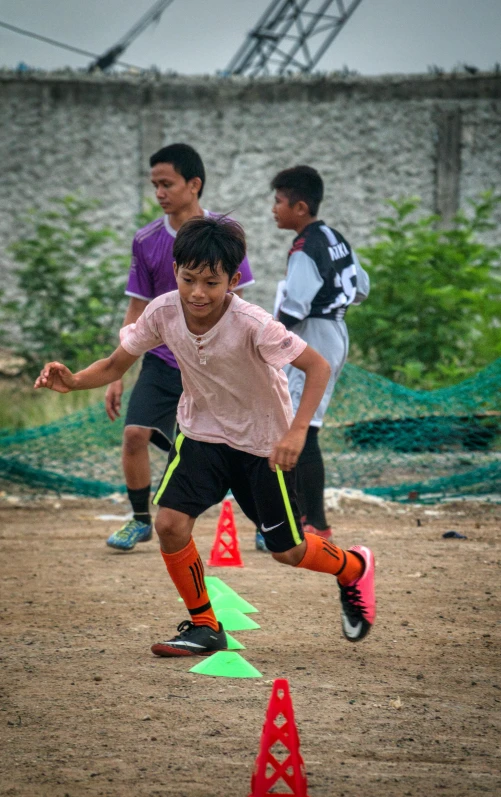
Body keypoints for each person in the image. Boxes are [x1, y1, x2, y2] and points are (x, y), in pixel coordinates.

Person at [34, 217, 376, 653]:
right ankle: (205, 626)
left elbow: (317, 367)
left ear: (232, 281)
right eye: (188, 278)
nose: (197, 292)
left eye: (210, 283)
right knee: (170, 524)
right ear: (175, 271)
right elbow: (117, 364)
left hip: (261, 445)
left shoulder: (253, 324)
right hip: (202, 435)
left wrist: (295, 434)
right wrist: (74, 380)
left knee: (286, 550)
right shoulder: (162, 312)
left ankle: (352, 566)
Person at [105, 143, 255, 552]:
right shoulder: (147, 240)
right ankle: (139, 519)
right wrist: (117, 371)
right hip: (162, 360)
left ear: (194, 185)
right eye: (154, 185)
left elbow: (243, 303)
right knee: (135, 433)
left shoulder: (223, 232)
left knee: (242, 446)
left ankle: (265, 517)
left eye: (167, 183)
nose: (159, 193)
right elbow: (137, 306)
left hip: (214, 364)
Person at [254, 165, 370, 550]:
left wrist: (266, 338)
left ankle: (313, 522)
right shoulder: (335, 238)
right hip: (335, 329)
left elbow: (296, 306)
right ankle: (303, 516)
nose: (273, 209)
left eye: (278, 201)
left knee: (303, 427)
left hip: (313, 336)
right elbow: (361, 287)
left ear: (299, 207)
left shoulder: (304, 248)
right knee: (301, 423)